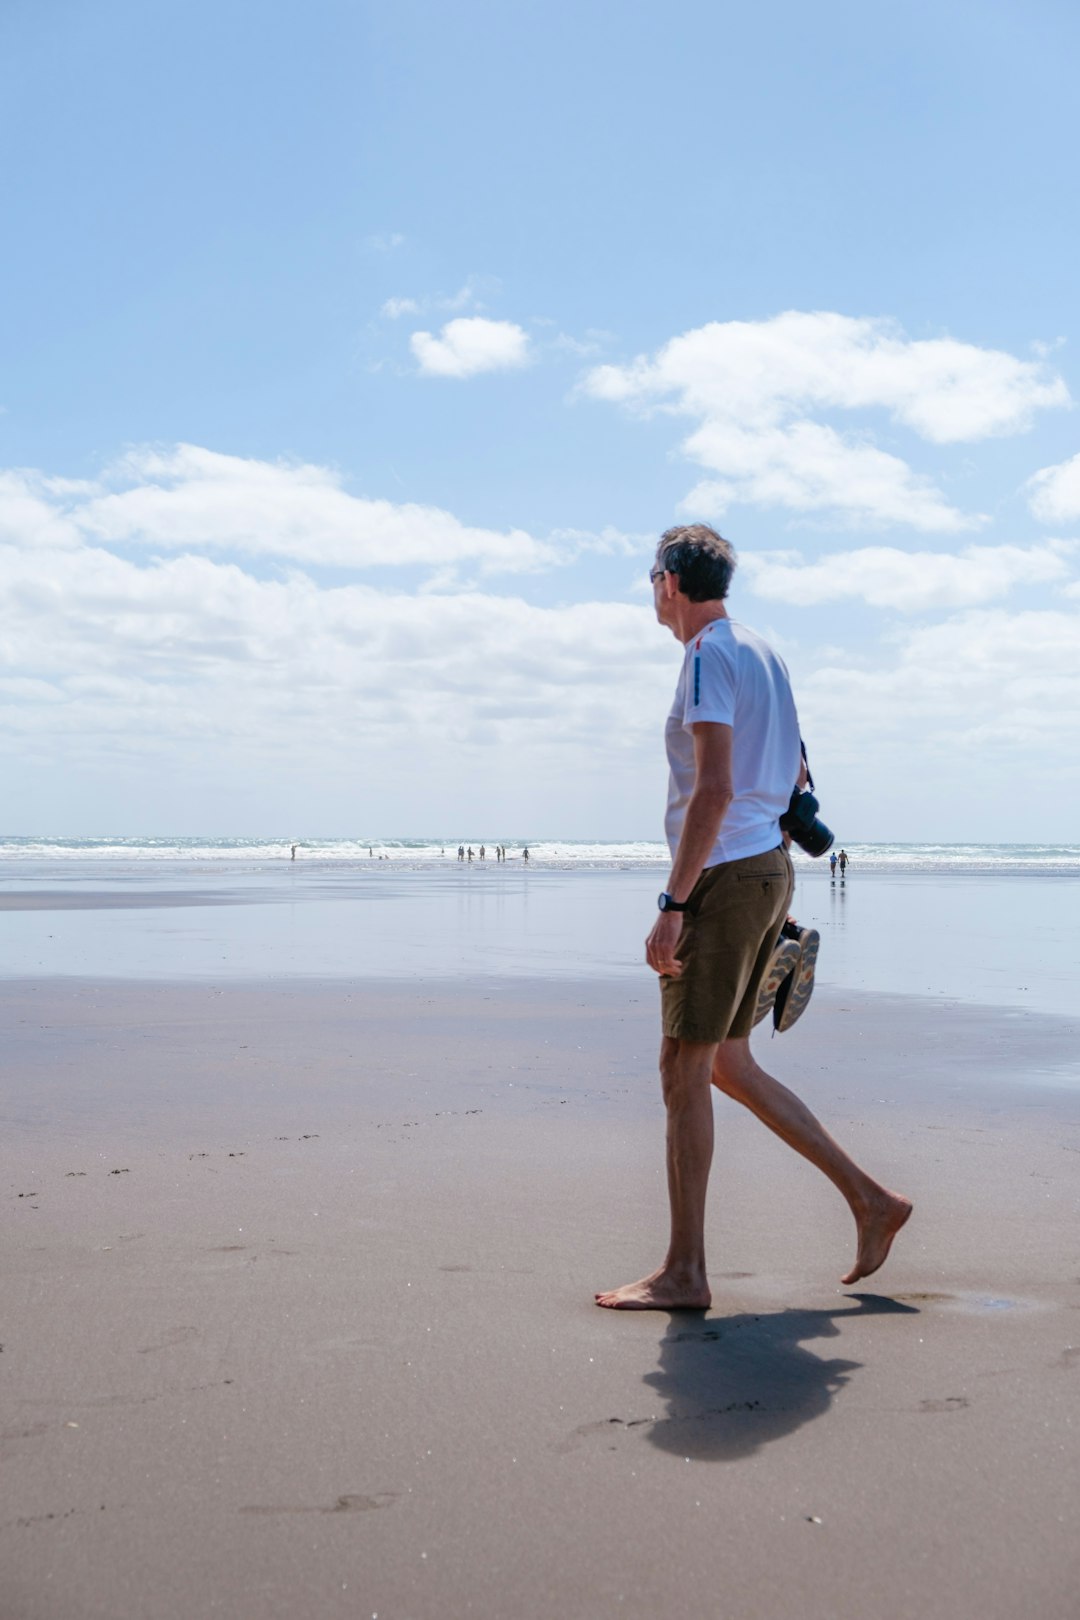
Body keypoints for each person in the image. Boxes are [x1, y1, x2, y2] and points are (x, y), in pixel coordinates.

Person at [595, 525, 911, 1311]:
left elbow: (714, 788)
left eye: (651, 580)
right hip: (765, 870)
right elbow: (797, 770)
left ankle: (685, 1273)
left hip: (728, 876)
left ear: (669, 581)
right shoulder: (763, 653)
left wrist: (674, 903)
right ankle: (872, 1202)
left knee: (682, 1072)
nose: (651, 595)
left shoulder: (707, 656)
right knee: (728, 1065)